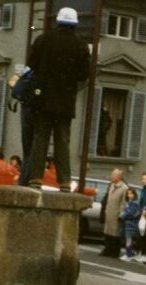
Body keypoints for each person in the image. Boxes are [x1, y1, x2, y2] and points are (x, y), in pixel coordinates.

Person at [26, 7, 90, 189]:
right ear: (75, 25)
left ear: (58, 22)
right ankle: (64, 181)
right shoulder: (80, 45)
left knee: (40, 139)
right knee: (62, 142)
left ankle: (36, 178)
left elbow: (31, 64)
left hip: (43, 99)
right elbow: (84, 74)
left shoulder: (43, 40)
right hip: (65, 101)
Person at [99, 168, 128, 258]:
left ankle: (115, 252)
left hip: (116, 213)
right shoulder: (111, 185)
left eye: (113, 175)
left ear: (118, 177)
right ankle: (107, 249)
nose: (111, 177)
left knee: (115, 234)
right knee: (107, 232)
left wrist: (121, 214)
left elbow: (124, 203)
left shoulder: (124, 188)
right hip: (109, 212)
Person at [119, 188, 142, 262]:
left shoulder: (134, 203)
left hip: (132, 223)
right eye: (128, 194)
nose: (129, 195)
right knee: (128, 239)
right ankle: (129, 253)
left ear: (134, 194)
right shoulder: (129, 202)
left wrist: (122, 216)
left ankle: (129, 254)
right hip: (128, 223)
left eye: (131, 194)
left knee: (129, 239)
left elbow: (130, 213)